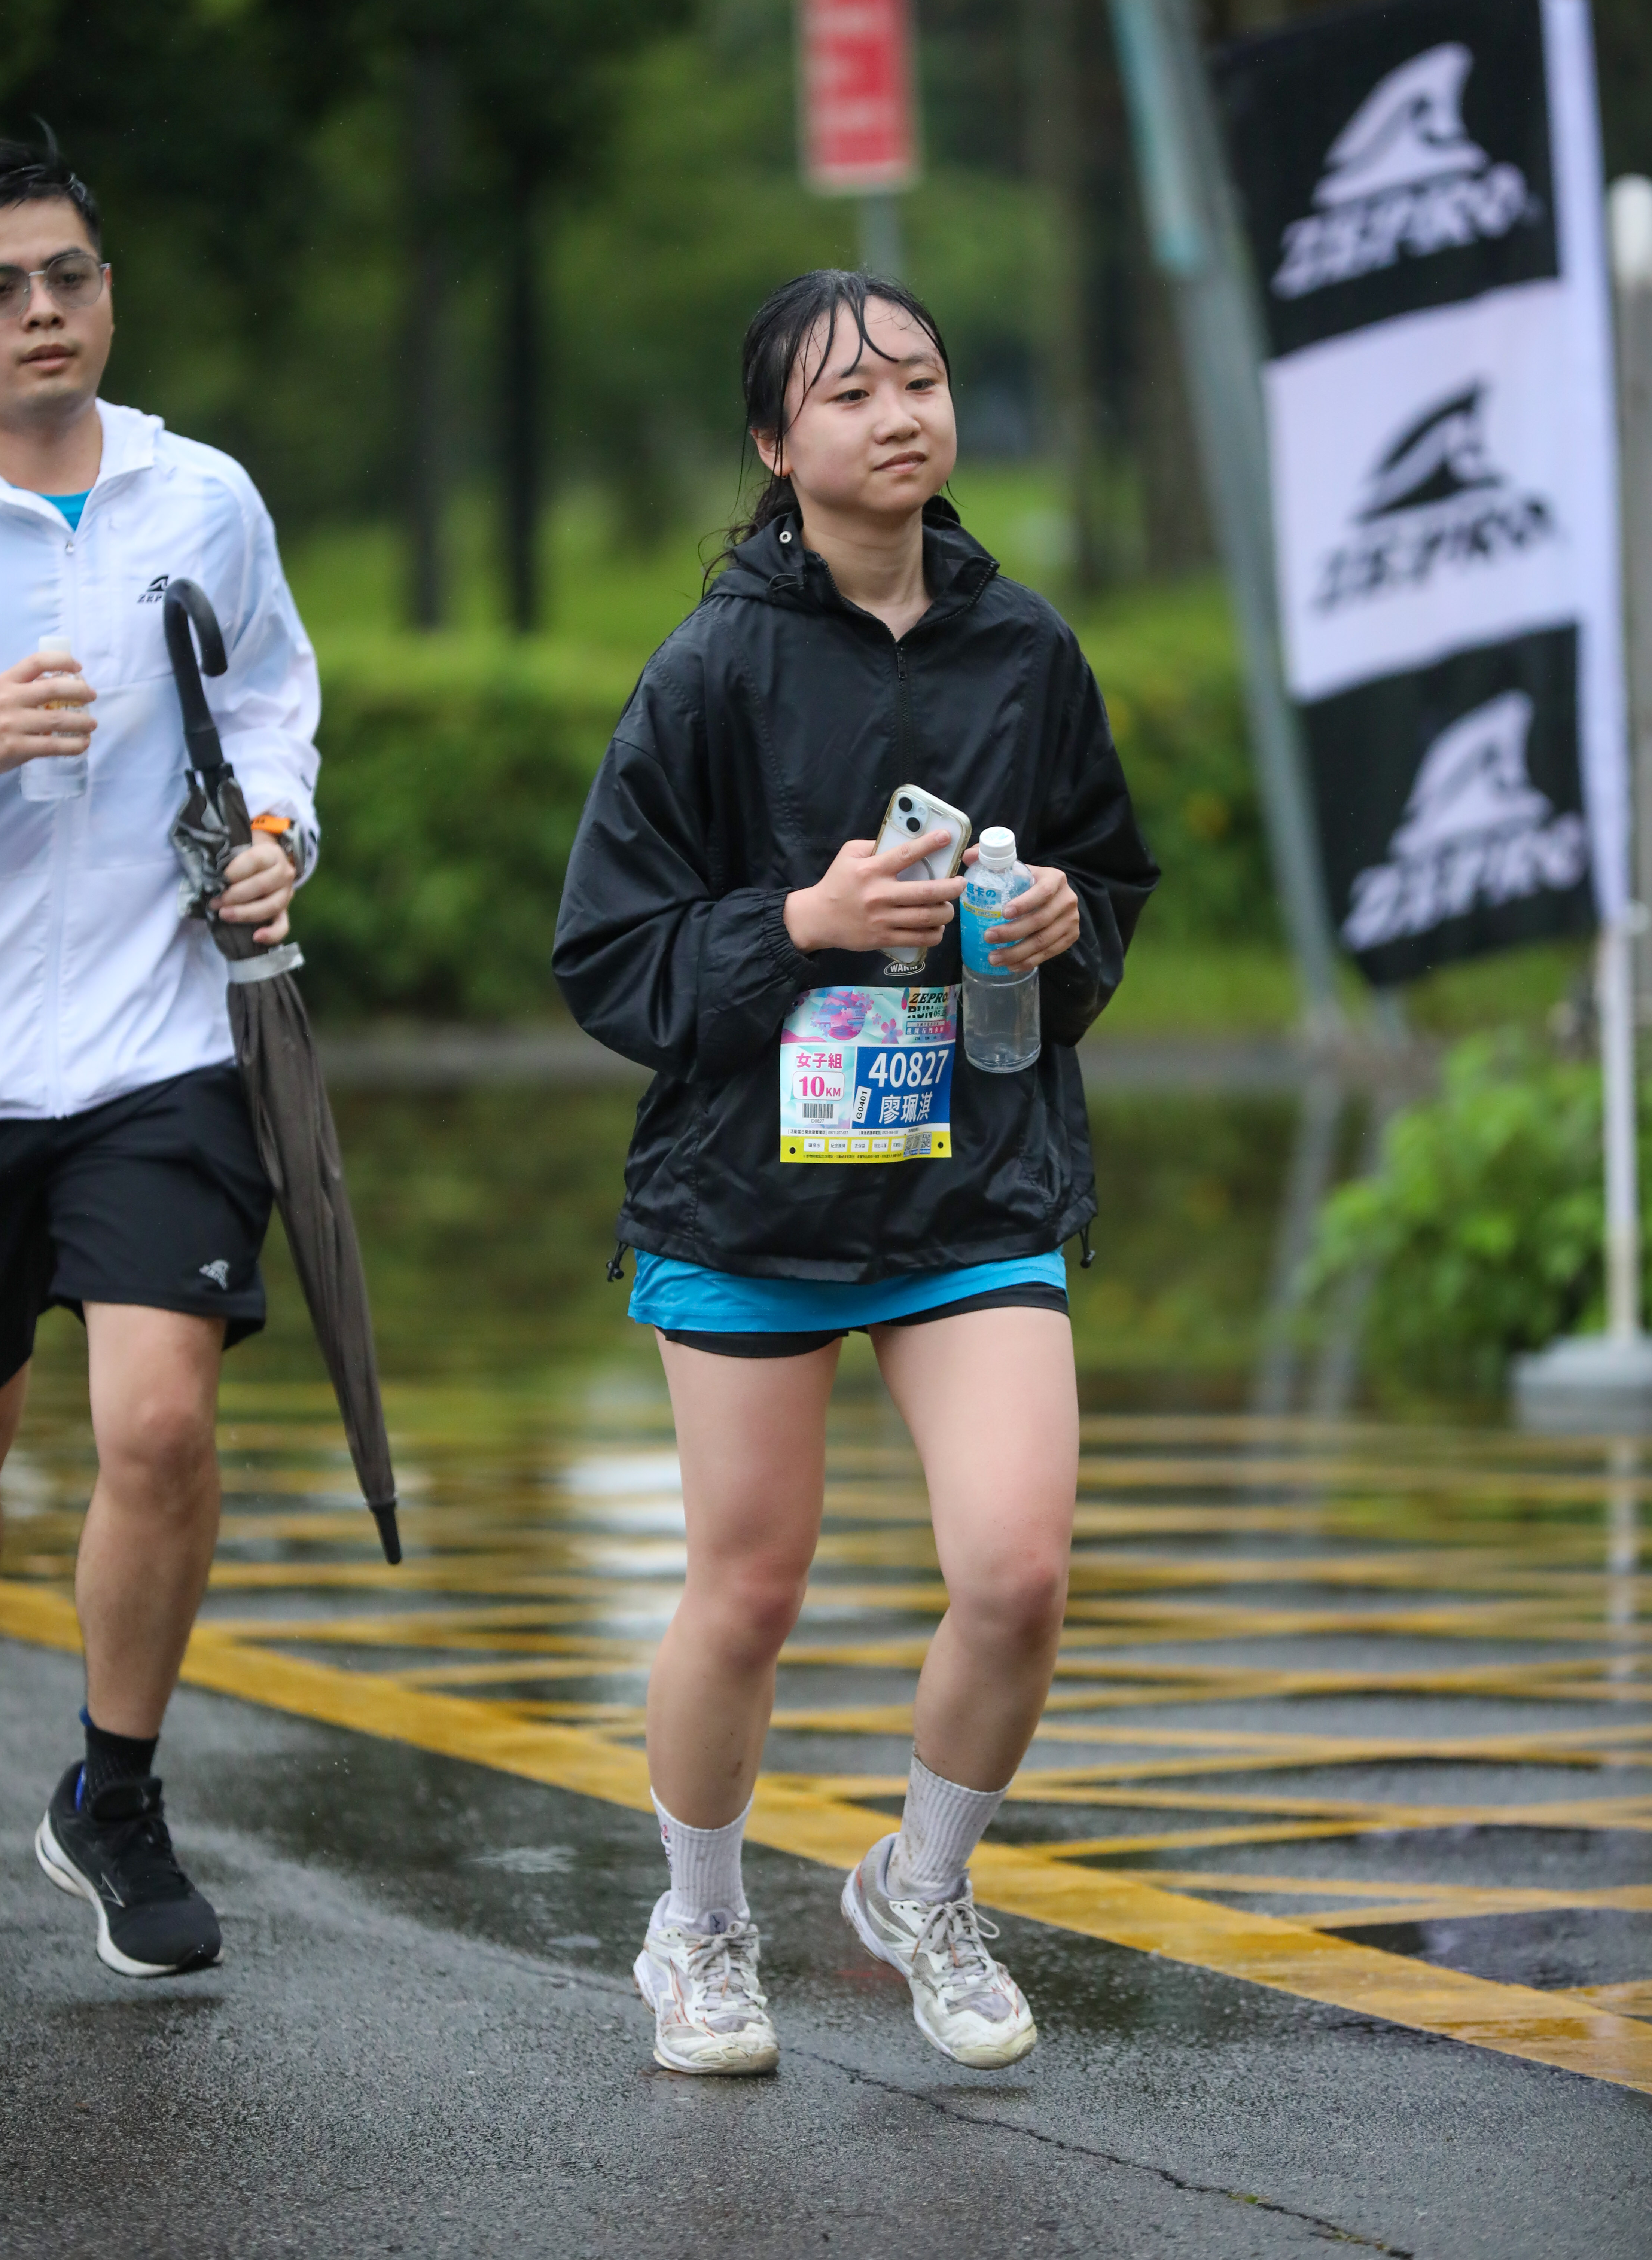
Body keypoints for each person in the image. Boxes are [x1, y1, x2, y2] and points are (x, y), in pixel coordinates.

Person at [554, 269, 1157, 2074]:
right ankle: (699, 1928)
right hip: (751, 1195)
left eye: (921, 380)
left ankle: (923, 1887)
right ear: (774, 443)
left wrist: (1058, 925)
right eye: (849, 393)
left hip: (972, 1185)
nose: (898, 415)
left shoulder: (1027, 650)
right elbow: (610, 956)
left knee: (1018, 1572)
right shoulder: (711, 668)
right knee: (748, 1587)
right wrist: (800, 924)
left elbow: (1107, 878)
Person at [0, 139, 320, 1976]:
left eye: (69, 277)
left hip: (156, 1039)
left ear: (108, 292)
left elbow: (270, 695)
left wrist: (273, 829)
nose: (42, 312)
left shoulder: (204, 497)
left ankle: (113, 1793)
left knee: (161, 1421)